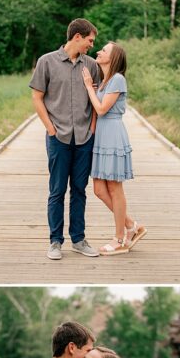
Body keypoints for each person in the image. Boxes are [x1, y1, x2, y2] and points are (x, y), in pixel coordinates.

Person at [30, 18, 102, 260]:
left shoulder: (91, 66)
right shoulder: (46, 62)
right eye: (90, 40)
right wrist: (50, 129)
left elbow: (96, 102)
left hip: (84, 138)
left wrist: (92, 128)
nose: (92, 45)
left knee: (80, 190)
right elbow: (37, 98)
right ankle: (55, 242)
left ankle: (79, 240)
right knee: (57, 190)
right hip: (58, 136)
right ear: (77, 37)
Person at [82, 41, 146, 255]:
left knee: (114, 188)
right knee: (99, 189)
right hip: (101, 136)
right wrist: (93, 87)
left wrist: (88, 86)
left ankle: (119, 238)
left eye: (104, 50)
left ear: (114, 58)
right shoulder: (103, 81)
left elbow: (100, 109)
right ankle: (132, 226)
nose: (99, 51)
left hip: (113, 135)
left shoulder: (117, 79)